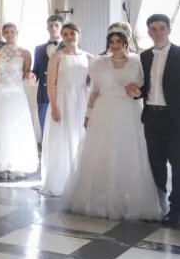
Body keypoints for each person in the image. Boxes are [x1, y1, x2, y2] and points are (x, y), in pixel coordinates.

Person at [63, 23, 166, 221]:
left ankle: (128, 199)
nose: (115, 45)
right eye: (111, 42)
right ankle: (101, 199)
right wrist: (88, 114)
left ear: (125, 42)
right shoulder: (98, 63)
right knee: (103, 151)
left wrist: (136, 91)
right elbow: (94, 91)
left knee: (128, 152)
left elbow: (145, 88)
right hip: (104, 109)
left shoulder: (137, 62)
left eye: (119, 41)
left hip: (128, 111)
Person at [130, 13, 180, 225]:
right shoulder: (145, 56)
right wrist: (137, 92)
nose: (157, 32)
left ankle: (176, 211)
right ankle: (158, 207)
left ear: (169, 29)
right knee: (155, 164)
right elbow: (148, 87)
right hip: (151, 117)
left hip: (174, 119)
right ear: (149, 32)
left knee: (177, 165)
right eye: (153, 29)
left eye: (161, 28)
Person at [0, 23, 38, 179]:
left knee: (14, 128)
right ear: (2, 34)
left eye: (11, 31)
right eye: (6, 32)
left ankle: (14, 163)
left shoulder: (25, 53)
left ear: (17, 32)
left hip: (16, 94)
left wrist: (30, 76)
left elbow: (26, 74)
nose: (9, 34)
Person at [39, 23, 91, 196]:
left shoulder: (88, 57)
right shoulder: (57, 57)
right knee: (62, 139)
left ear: (78, 34)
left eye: (72, 33)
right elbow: (50, 85)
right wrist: (54, 106)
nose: (69, 37)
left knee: (79, 138)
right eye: (66, 34)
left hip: (81, 101)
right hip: (62, 101)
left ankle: (79, 180)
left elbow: (91, 83)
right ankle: (62, 180)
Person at [32, 15, 64, 132]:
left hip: (62, 94)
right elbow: (36, 70)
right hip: (43, 95)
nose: (53, 28)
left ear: (62, 27)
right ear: (47, 28)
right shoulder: (39, 49)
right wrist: (32, 75)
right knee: (44, 129)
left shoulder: (69, 47)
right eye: (51, 26)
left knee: (61, 129)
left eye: (56, 25)